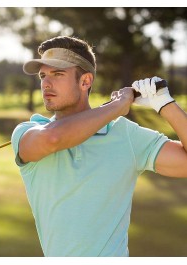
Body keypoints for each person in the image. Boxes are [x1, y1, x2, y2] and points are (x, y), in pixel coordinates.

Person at [11, 36, 187, 257]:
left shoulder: (126, 135)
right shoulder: (28, 131)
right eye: (43, 75)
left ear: (85, 81)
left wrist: (165, 105)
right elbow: (53, 139)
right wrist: (118, 106)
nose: (46, 83)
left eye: (57, 74)